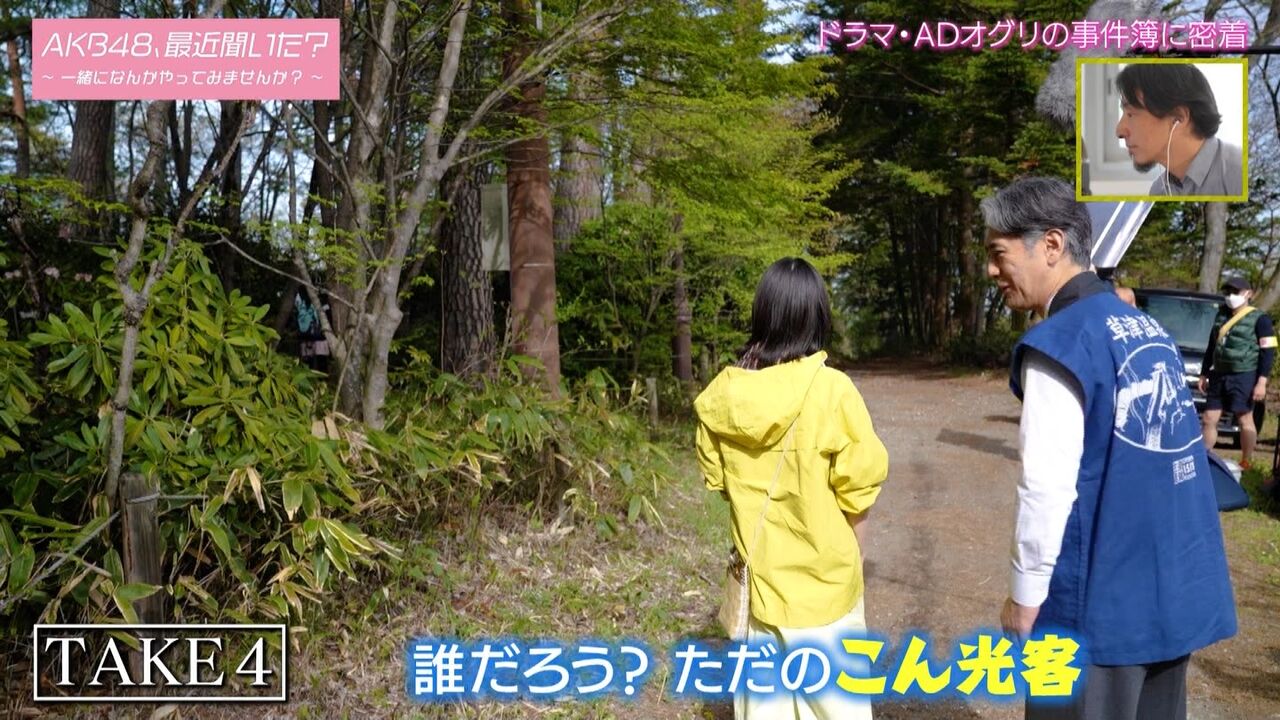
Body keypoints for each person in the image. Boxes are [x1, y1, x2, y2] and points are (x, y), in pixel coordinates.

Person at [983, 177, 1236, 720]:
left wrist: (1025, 598)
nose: (990, 271)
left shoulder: (1060, 343)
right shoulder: (1149, 332)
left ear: (1052, 245)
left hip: (1097, 611)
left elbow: (1045, 488)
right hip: (1168, 599)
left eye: (998, 254)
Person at [694, 257, 888, 720]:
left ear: (762, 315)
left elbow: (721, 484)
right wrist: (856, 561)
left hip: (761, 595)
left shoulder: (723, 398)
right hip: (826, 592)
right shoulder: (833, 391)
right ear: (817, 316)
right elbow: (858, 494)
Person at [1114, 63, 1243, 198]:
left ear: (1178, 118)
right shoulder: (1159, 191)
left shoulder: (1239, 173)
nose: (1119, 131)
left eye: (1131, 114)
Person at [1198, 276, 1276, 468]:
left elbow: (1268, 351)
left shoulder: (1261, 319)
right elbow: (1212, 346)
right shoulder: (1221, 316)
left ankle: (1246, 462)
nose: (1231, 296)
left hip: (1244, 374)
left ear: (1248, 294)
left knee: (1244, 418)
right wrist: (1204, 372)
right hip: (1219, 374)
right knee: (1209, 418)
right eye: (1227, 292)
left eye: (1236, 292)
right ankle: (1204, 460)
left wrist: (1261, 382)